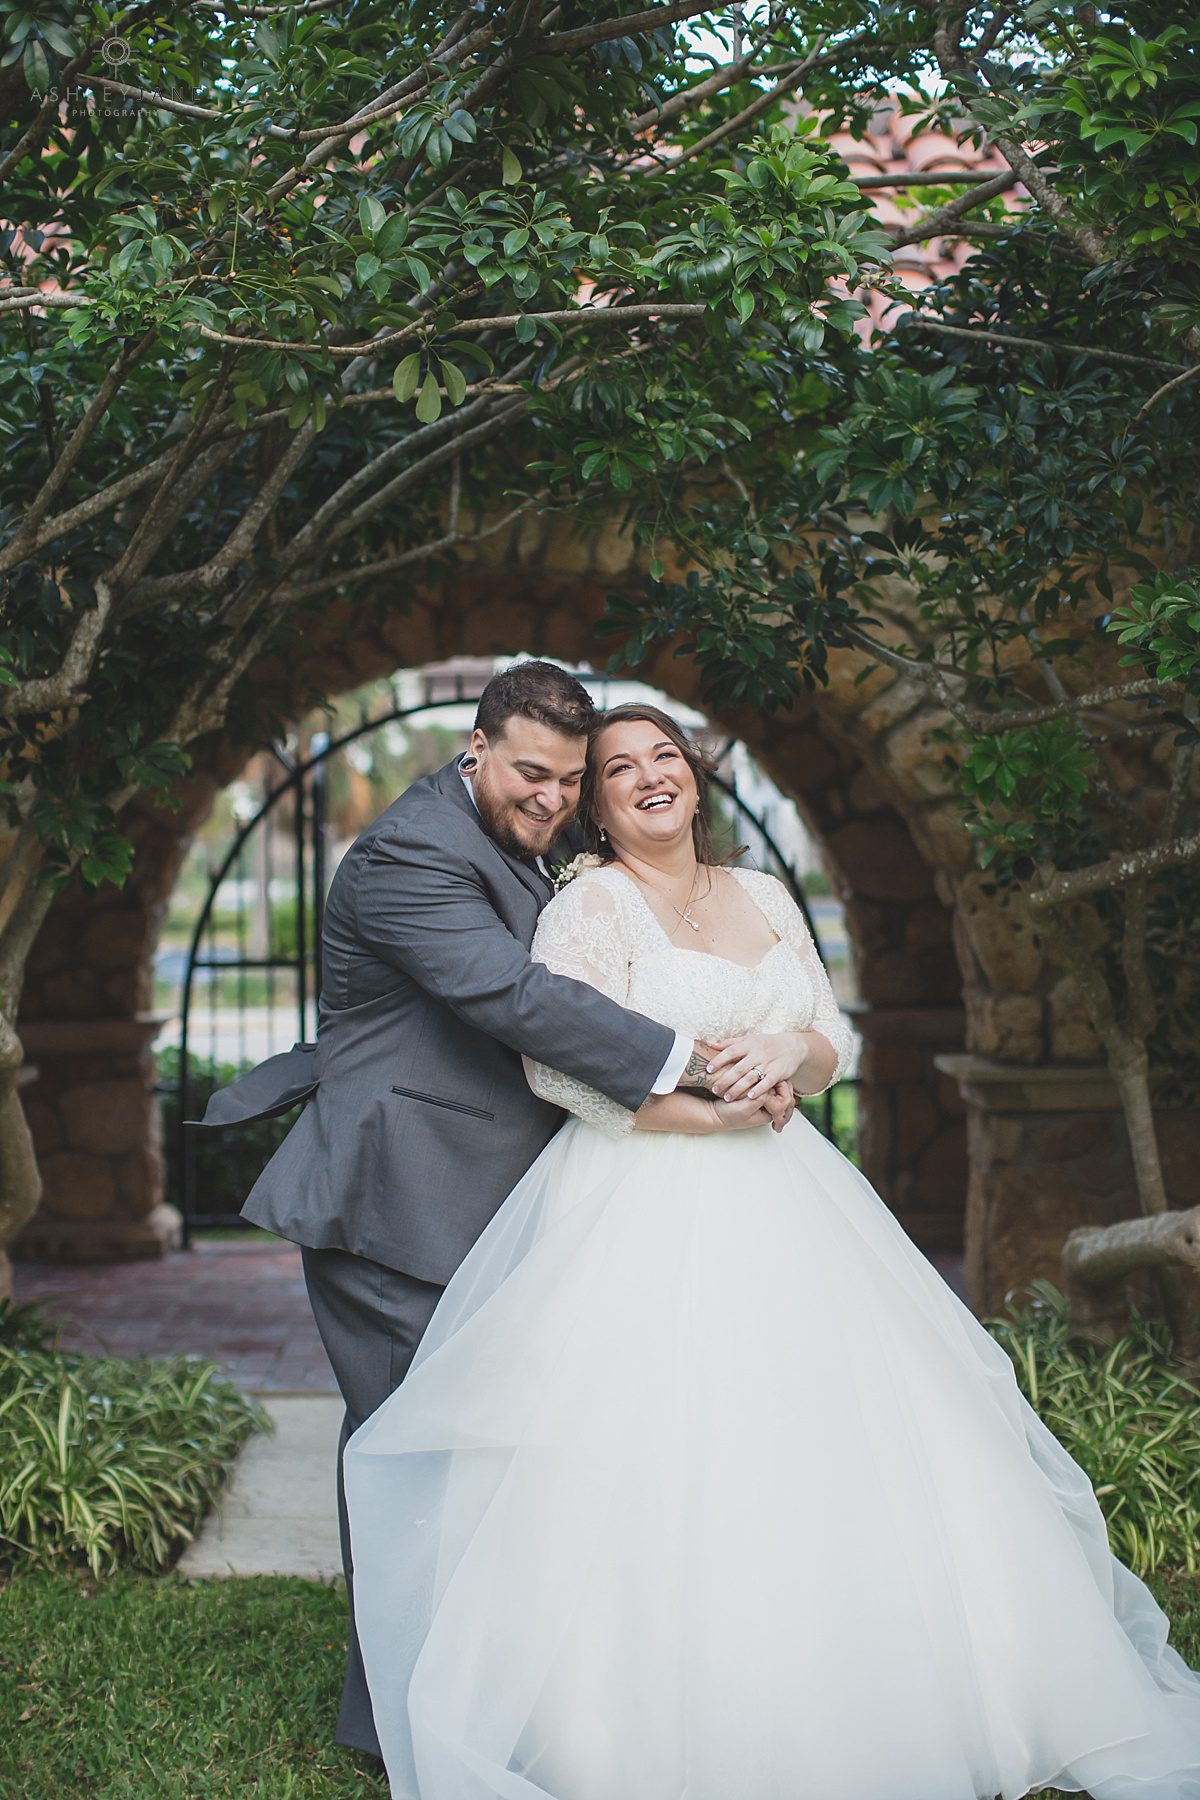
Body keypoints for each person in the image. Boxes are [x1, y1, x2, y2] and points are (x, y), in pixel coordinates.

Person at [343, 702, 1200, 1800]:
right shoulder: (588, 905)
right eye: (618, 769)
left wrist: (787, 1048)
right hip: (639, 1202)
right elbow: (556, 1072)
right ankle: (632, 1721)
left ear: (696, 781)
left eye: (666, 758)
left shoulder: (764, 895)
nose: (649, 777)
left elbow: (829, 1040)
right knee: (658, 1446)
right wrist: (706, 1114)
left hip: (795, 1202)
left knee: (847, 1432)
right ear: (597, 809)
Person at [198, 664, 754, 1762]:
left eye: (564, 781)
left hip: (487, 1199)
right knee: (416, 1461)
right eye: (530, 773)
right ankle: (401, 1726)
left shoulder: (523, 845)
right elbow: (513, 998)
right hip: (396, 1199)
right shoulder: (413, 852)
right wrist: (695, 1063)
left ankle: (481, 1701)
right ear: (475, 747)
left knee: (485, 1465)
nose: (550, 798)